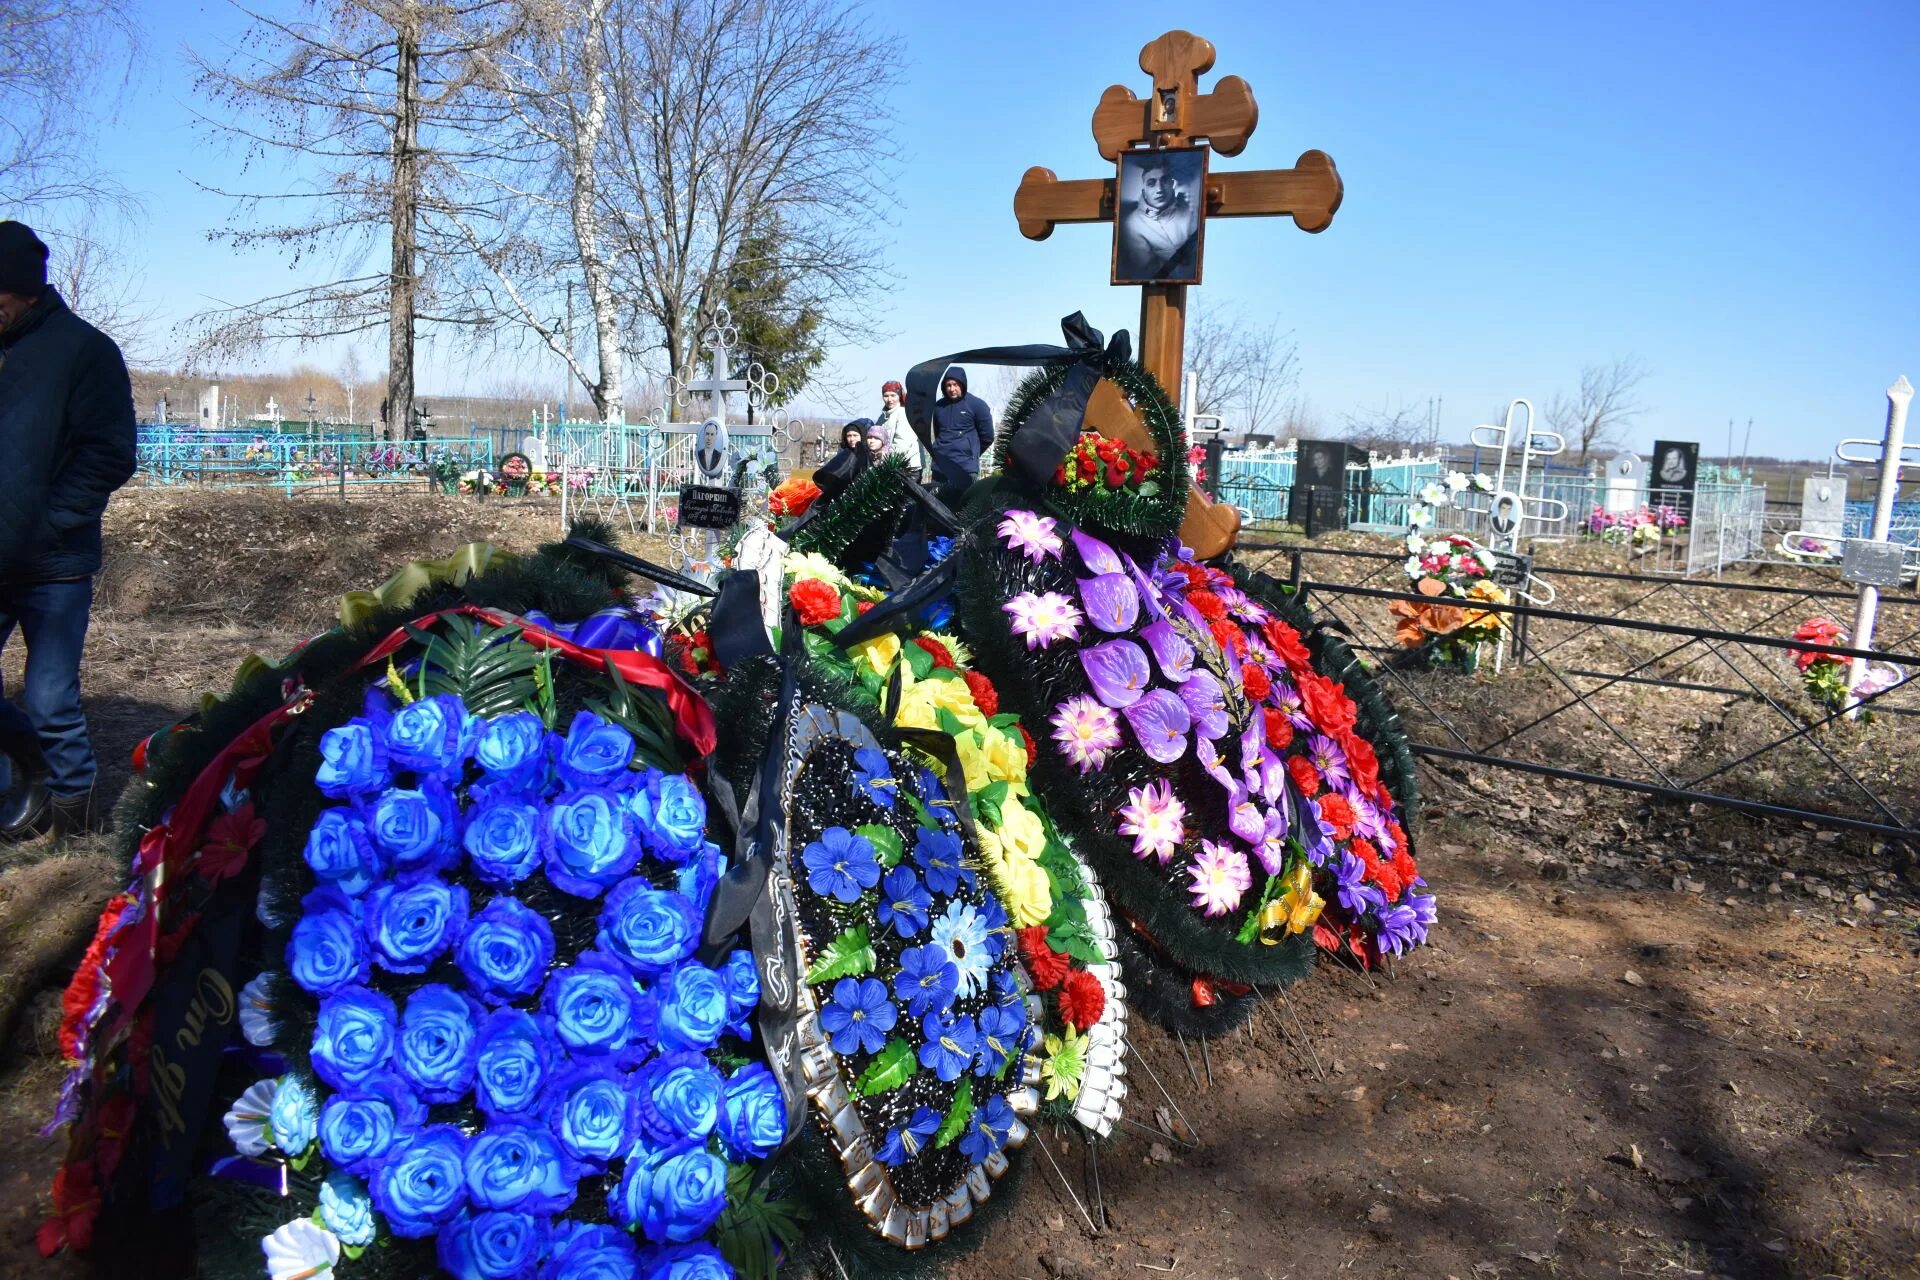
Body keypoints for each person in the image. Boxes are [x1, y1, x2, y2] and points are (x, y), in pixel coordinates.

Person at [0, 220, 137, 843]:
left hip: (52, 563)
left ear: (26, 291)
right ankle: (29, 777)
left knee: (52, 696)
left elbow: (109, 453)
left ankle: (76, 827)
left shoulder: (85, 351)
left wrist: (48, 521)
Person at [1117, 154, 1199, 281]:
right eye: (1151, 183)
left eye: (1164, 180)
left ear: (1172, 184)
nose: (1159, 189)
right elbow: (1147, 273)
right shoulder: (1132, 225)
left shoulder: (1190, 211)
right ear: (1143, 189)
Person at [929, 367, 995, 504]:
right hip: (940, 469)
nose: (952, 389)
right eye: (948, 385)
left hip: (964, 469)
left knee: (964, 509)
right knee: (937, 509)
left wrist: (970, 452)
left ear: (962, 384)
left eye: (955, 385)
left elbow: (988, 437)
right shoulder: (938, 407)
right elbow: (938, 433)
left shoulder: (977, 405)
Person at [875, 380, 926, 480]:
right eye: (886, 396)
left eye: (893, 395)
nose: (889, 399)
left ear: (899, 395)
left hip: (908, 468)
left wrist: (884, 457)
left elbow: (902, 443)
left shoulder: (904, 413)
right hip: (891, 465)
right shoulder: (882, 417)